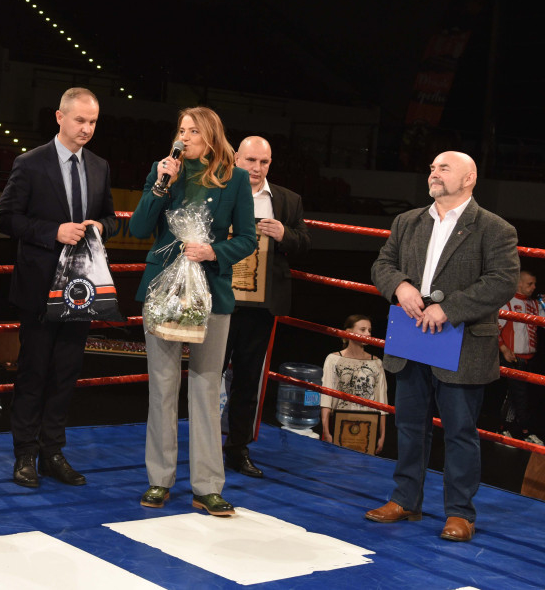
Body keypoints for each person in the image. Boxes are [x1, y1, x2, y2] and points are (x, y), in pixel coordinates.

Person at [367, 151, 519, 542]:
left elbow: (502, 281)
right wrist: (399, 285)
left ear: (469, 178)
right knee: (409, 424)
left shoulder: (494, 228)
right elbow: (382, 264)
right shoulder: (408, 221)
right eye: (432, 167)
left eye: (443, 168)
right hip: (412, 337)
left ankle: (460, 514)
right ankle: (405, 499)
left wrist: (448, 309)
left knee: (460, 431)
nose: (433, 173)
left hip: (462, 341)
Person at [129, 107, 255, 515]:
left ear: (211, 135)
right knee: (162, 387)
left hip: (211, 292)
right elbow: (139, 227)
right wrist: (161, 185)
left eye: (192, 131)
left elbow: (248, 238)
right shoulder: (164, 170)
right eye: (180, 130)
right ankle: (158, 480)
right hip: (164, 289)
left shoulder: (235, 179)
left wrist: (213, 250)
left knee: (205, 387)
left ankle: (207, 486)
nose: (184, 137)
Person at [0, 87, 117, 488]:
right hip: (38, 286)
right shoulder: (29, 163)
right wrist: (54, 232)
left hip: (83, 288)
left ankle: (52, 452)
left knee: (66, 372)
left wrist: (101, 226)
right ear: (60, 117)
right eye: (80, 120)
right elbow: (7, 219)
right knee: (33, 372)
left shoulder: (100, 166)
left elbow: (110, 218)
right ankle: (24, 455)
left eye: (93, 122)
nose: (86, 128)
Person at [222, 135, 310, 478]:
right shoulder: (219, 189)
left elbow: (305, 242)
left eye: (264, 162)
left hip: (259, 307)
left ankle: (238, 449)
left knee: (247, 377)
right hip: (221, 299)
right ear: (236, 160)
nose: (257, 168)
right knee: (208, 374)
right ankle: (203, 446)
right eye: (250, 161)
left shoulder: (287, 200)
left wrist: (283, 233)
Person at [319, 314, 388, 453]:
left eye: (369, 330)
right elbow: (326, 397)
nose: (367, 334)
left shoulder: (376, 363)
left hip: (368, 426)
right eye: (362, 329)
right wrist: (326, 431)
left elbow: (382, 401)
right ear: (349, 332)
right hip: (341, 422)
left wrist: (382, 436)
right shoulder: (333, 360)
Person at [498, 270, 542, 444]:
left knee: (523, 396)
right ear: (519, 283)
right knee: (518, 395)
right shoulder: (507, 302)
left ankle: (514, 430)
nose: (534, 287)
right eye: (530, 284)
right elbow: (495, 327)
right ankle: (510, 431)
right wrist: (503, 349)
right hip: (514, 358)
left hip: (530, 358)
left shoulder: (534, 304)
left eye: (534, 284)